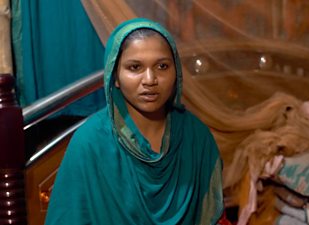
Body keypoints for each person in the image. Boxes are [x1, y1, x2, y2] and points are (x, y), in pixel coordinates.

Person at [45, 18, 224, 225]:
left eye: (162, 66)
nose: (149, 79)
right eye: (135, 67)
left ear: (177, 73)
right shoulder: (90, 143)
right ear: (116, 77)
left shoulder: (196, 136)